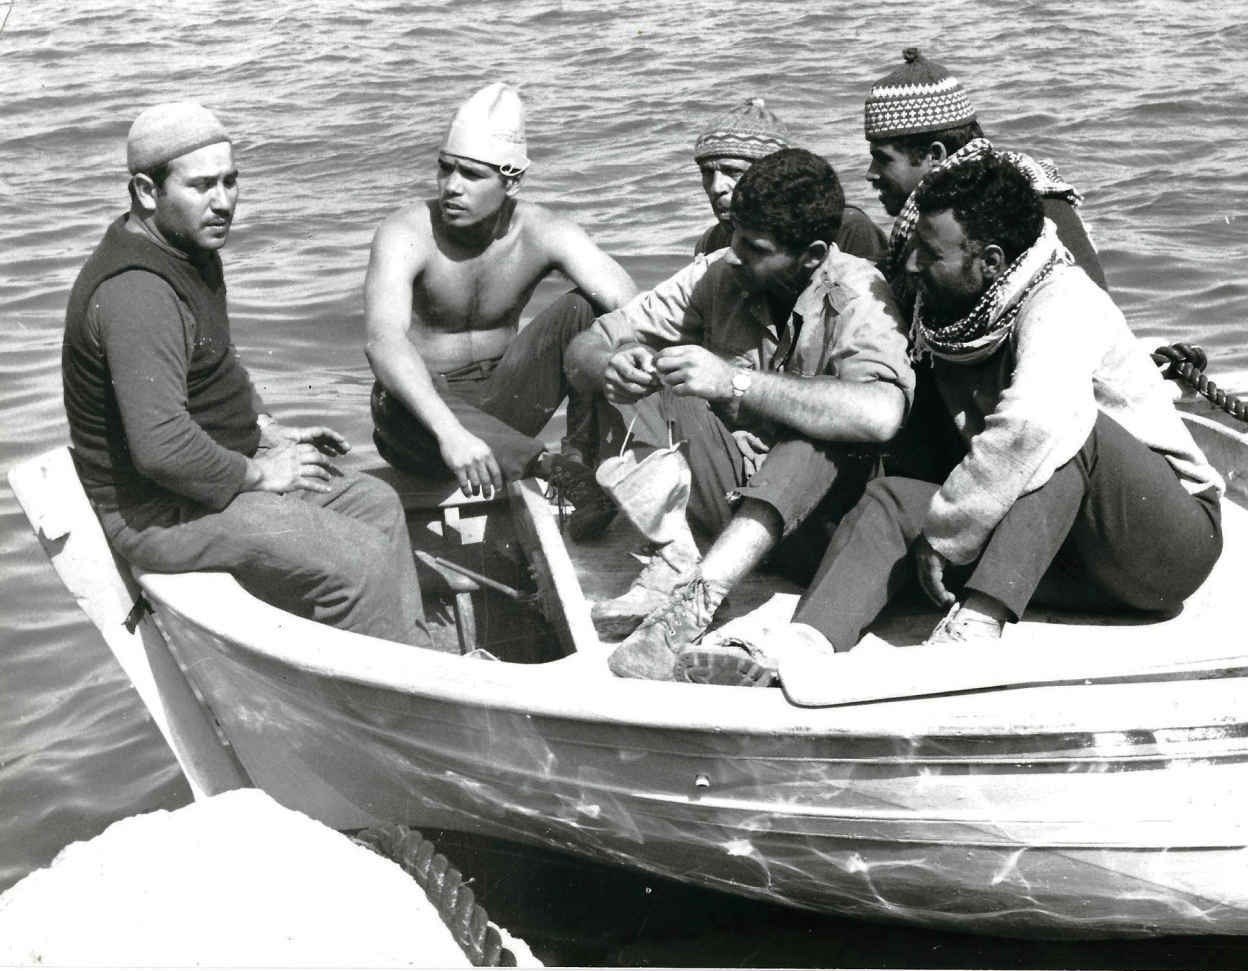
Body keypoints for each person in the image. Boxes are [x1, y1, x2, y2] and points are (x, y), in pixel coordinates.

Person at [677, 152, 1223, 686]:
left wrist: (946, 536)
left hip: (1155, 551)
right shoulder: (950, 306)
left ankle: (973, 631)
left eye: (929, 253)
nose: (912, 264)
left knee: (1066, 427)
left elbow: (1031, 427)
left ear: (991, 261)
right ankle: (803, 648)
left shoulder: (1062, 300)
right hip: (1053, 557)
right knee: (892, 500)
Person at [62, 102, 429, 646]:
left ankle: (410, 657)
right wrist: (259, 473)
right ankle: (378, 691)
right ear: (146, 191)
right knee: (360, 560)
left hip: (201, 477)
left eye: (230, 181)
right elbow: (161, 448)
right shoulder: (137, 292)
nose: (223, 202)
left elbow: (214, 369)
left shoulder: (189, 251)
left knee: (376, 506)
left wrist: (263, 430)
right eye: (201, 186)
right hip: (156, 512)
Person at [567, 148, 914, 681]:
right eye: (733, 236)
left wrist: (735, 382)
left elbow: (882, 414)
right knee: (655, 373)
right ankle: (674, 560)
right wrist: (611, 365)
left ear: (811, 256)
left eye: (754, 248)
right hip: (733, 507)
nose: (733, 254)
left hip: (820, 526)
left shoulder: (858, 292)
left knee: (817, 432)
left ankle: (695, 603)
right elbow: (589, 343)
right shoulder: (721, 274)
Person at [366, 82, 637, 539]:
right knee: (393, 384)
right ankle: (555, 469)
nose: (451, 187)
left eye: (471, 175)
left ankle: (584, 460)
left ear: (511, 181)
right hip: (422, 424)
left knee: (588, 311)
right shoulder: (405, 232)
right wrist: (451, 432)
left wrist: (629, 361)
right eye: (445, 168)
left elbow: (631, 304)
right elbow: (382, 340)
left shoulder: (543, 230)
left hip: (503, 405)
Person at [863, 47, 1108, 306]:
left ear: (935, 155)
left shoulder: (1025, 210)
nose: (871, 173)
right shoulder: (936, 222)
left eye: (883, 159)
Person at [692, 98, 886, 263]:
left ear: (771, 174)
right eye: (707, 172)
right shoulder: (711, 242)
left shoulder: (846, 228)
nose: (716, 187)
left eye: (733, 171)